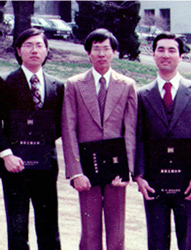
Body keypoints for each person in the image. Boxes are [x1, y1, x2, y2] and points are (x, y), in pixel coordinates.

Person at [0, 28, 64, 250]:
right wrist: (6, 154)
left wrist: (41, 146)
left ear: (47, 50)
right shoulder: (5, 81)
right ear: (18, 51)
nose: (34, 50)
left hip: (45, 165)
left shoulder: (57, 85)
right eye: (28, 45)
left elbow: (59, 125)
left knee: (49, 227)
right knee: (17, 229)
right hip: (14, 166)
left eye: (39, 45)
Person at [61, 28, 137, 250]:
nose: (101, 54)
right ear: (88, 54)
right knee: (90, 230)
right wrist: (76, 172)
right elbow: (69, 130)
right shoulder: (74, 85)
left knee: (117, 232)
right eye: (96, 49)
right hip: (87, 169)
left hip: (116, 170)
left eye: (106, 49)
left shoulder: (127, 85)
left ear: (114, 52)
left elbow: (130, 130)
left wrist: (127, 171)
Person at [134, 32, 191, 250]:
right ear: (154, 55)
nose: (166, 55)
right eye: (161, 49)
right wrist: (139, 176)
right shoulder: (142, 94)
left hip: (188, 183)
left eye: (172, 50)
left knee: (188, 241)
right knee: (156, 241)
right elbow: (139, 139)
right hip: (154, 183)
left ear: (181, 56)